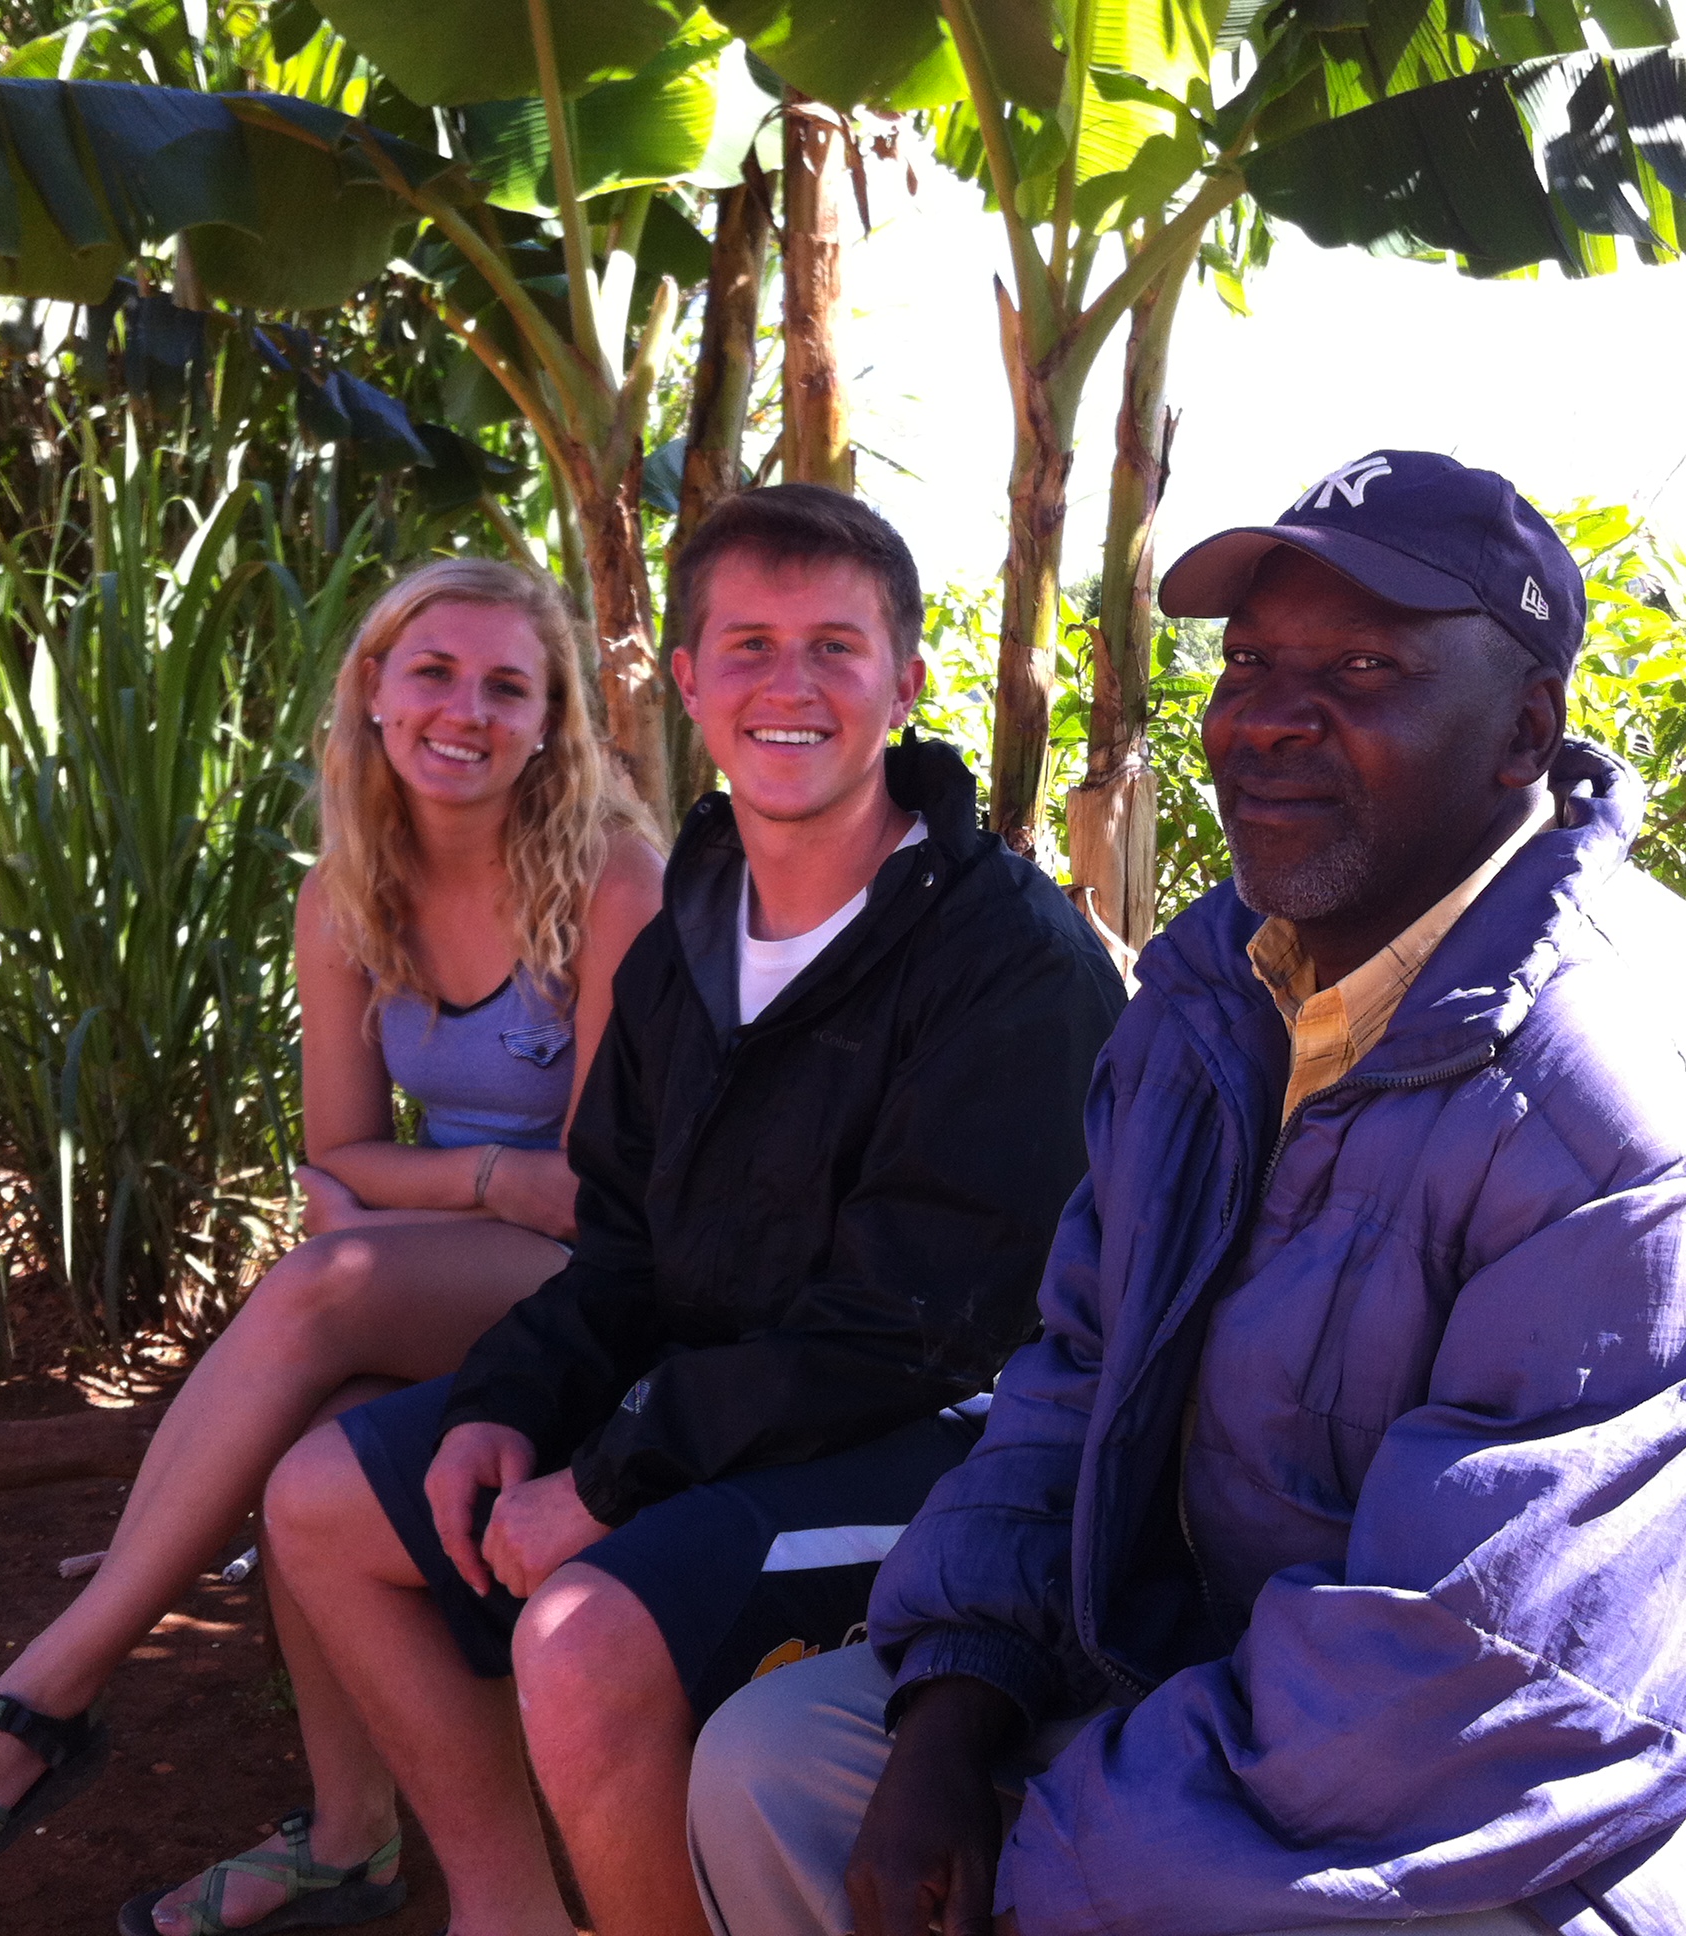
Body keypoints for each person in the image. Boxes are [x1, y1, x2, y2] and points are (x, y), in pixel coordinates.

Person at [689, 451, 1686, 1936]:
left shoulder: (1646, 1127)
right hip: (1235, 1684)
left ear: (1523, 733)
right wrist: (959, 1701)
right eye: (1249, 664)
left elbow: (1496, 1690)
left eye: (1363, 668)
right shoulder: (1214, 998)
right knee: (783, 1767)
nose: (1269, 717)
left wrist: (1063, 1846)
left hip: (1629, 1803)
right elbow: (1078, 1378)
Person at [239, 484, 1126, 1936]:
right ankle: (508, 1912)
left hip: (958, 1448)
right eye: (751, 647)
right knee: (325, 1503)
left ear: (906, 683)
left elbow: (908, 1335)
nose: (791, 687)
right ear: (690, 681)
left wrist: (606, 1479)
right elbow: (624, 1241)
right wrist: (512, 1402)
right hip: (729, 1398)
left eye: (836, 648)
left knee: (585, 1638)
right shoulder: (694, 932)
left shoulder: (1008, 960)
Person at [0, 557, 664, 1918]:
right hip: (450, 1258)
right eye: (434, 672)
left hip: (611, 1276)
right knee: (315, 1437)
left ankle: (48, 1689)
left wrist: (426, 1196)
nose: (466, 709)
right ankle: (349, 1834)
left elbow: (589, 1191)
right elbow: (336, 1155)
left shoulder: (612, 881)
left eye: (508, 686)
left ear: (551, 723)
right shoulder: (345, 896)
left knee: (327, 1280)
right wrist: (478, 1182)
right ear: (374, 690)